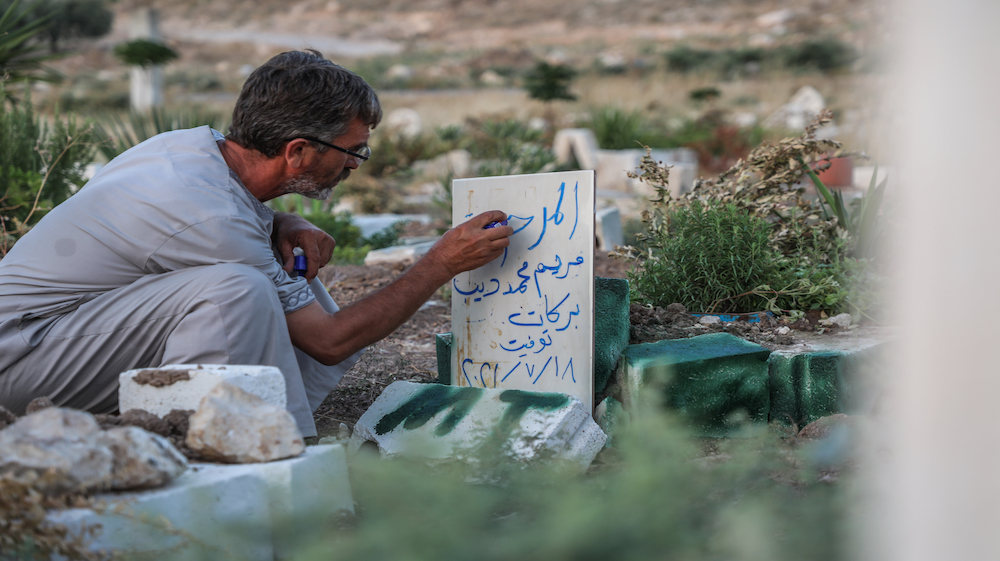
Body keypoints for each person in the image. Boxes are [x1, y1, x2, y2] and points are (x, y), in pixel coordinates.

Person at [0, 50, 513, 437]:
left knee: (278, 281)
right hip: (21, 362)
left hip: (55, 337)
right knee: (235, 291)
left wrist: (278, 220)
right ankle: (210, 445)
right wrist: (441, 263)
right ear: (297, 151)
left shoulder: (187, 149)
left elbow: (210, 217)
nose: (356, 164)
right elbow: (328, 340)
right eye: (353, 150)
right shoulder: (209, 215)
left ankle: (273, 427)